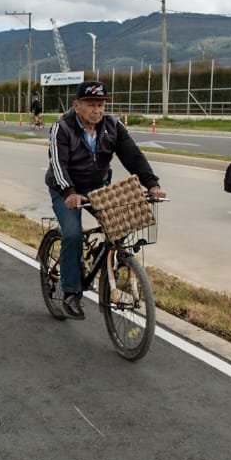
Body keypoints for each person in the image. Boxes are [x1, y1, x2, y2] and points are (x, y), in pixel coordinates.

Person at [44, 80, 166, 320]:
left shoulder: (112, 126)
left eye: (101, 104)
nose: (97, 110)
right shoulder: (63, 127)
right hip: (65, 188)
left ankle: (109, 267)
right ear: (76, 105)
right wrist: (68, 192)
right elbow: (58, 163)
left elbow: (132, 155)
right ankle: (71, 293)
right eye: (91, 104)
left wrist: (151, 183)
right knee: (72, 234)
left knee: (121, 226)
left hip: (98, 187)